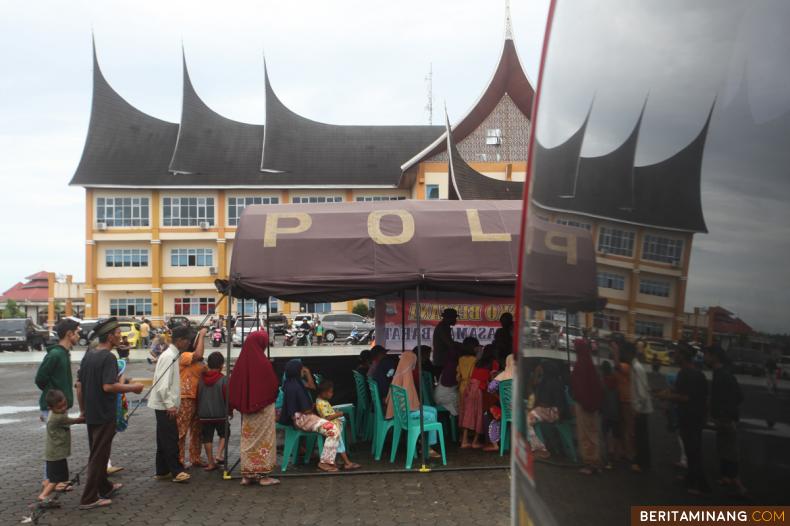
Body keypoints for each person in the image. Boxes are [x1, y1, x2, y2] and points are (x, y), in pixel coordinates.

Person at [76, 317, 143, 510]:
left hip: (91, 412)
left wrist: (83, 410)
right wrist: (133, 388)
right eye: (118, 333)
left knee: (98, 452)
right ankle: (88, 498)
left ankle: (105, 487)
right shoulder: (108, 357)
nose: (120, 336)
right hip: (104, 413)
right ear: (110, 337)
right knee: (99, 456)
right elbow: (108, 386)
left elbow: (79, 385)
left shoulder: (89, 355)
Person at [229, 330, 280, 486]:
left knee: (248, 440)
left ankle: (247, 475)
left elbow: (233, 386)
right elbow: (273, 386)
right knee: (264, 440)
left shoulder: (241, 362)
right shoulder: (263, 363)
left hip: (247, 411)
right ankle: (263, 476)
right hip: (263, 410)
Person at [657, 346, 710, 495]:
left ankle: (700, 486)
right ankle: (691, 479)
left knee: (693, 451)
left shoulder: (686, 374)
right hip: (695, 418)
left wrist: (666, 397)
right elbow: (703, 398)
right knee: (692, 450)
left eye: (677, 354)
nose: (674, 356)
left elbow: (685, 397)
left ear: (683, 357)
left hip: (690, 418)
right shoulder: (697, 374)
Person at [35, 318, 79, 491]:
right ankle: (49, 482)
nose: (79, 335)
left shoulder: (63, 353)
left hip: (60, 407)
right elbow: (40, 378)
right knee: (54, 445)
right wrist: (51, 397)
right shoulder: (55, 354)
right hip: (54, 407)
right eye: (76, 332)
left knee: (59, 444)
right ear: (69, 334)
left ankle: (54, 481)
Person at [147, 325, 192, 483]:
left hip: (163, 404)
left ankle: (162, 470)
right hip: (165, 405)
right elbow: (163, 384)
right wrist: (170, 405)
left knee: (163, 438)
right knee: (171, 438)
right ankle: (176, 470)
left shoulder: (172, 354)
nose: (188, 343)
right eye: (187, 340)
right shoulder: (169, 356)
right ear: (179, 340)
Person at [280, 359, 342, 472]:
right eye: (301, 369)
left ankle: (327, 460)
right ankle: (325, 462)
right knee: (333, 430)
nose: (303, 371)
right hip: (304, 419)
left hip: (299, 418)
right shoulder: (297, 387)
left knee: (329, 427)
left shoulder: (289, 383)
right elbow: (306, 409)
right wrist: (312, 408)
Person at [705, 344, 747, 496]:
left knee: (730, 449)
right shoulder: (719, 373)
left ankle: (737, 482)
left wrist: (726, 415)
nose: (705, 358)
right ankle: (726, 478)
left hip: (726, 419)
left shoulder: (724, 375)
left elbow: (738, 396)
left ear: (714, 356)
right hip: (722, 418)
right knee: (723, 448)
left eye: (707, 355)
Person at [384, 349, 442, 458]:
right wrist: (418, 408)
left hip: (402, 411)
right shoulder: (407, 377)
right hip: (405, 414)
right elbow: (410, 405)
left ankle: (424, 443)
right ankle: (427, 446)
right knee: (430, 416)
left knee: (433, 410)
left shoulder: (399, 374)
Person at [38, 389, 85, 503]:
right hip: (56, 453)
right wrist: (84, 419)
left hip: (54, 452)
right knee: (55, 478)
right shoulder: (58, 417)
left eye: (64, 405)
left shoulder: (53, 413)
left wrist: (43, 418)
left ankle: (50, 486)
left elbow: (48, 418)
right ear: (51, 408)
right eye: (59, 408)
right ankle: (43, 495)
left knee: (55, 476)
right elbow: (74, 421)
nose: (63, 408)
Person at [570, 340, 603, 474]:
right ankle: (596, 462)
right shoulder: (589, 364)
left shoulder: (580, 365)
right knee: (593, 433)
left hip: (583, 404)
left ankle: (589, 464)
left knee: (585, 434)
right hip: (593, 405)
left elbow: (579, 386)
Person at [176, 327, 208, 468]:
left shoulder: (199, 361)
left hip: (197, 398)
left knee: (197, 431)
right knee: (181, 431)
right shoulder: (185, 356)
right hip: (185, 398)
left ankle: (195, 458)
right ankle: (179, 459)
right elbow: (199, 353)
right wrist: (201, 335)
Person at [315, 380, 361, 470]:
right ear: (324, 392)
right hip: (332, 427)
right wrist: (338, 414)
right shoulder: (322, 403)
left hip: (333, 426)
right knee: (340, 445)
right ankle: (347, 463)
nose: (332, 394)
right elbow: (327, 417)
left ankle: (337, 462)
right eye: (330, 392)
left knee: (339, 445)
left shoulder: (321, 401)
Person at [460, 345, 498, 449]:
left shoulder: (478, 362)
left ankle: (464, 441)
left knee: (468, 414)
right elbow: (494, 379)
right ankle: (475, 442)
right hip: (479, 390)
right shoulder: (493, 363)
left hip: (469, 388)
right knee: (479, 415)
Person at [526, 361, 566, 459]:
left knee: (527, 420)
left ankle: (539, 448)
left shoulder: (547, 382)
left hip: (552, 412)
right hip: (557, 412)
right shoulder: (558, 381)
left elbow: (545, 401)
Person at [198, 352, 230, 472]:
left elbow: (198, 396)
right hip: (220, 413)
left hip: (204, 414)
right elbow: (227, 397)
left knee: (207, 438)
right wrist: (230, 410)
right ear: (221, 365)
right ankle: (219, 454)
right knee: (225, 433)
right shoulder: (224, 379)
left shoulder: (201, 379)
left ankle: (211, 463)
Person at [611, 336, 635, 465]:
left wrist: (615, 351)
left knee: (628, 429)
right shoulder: (625, 366)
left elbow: (616, 366)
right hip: (621, 400)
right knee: (621, 428)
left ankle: (629, 453)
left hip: (627, 401)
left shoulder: (626, 366)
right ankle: (622, 452)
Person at [630, 344, 653, 472]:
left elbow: (641, 392)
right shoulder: (636, 367)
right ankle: (643, 462)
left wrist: (637, 408)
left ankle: (642, 463)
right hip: (641, 408)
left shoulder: (636, 368)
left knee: (641, 437)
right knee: (641, 437)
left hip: (641, 409)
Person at [599, 360, 620, 469]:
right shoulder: (616, 380)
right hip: (616, 411)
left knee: (606, 435)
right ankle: (616, 456)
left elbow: (601, 397)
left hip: (606, 412)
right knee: (615, 435)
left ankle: (608, 458)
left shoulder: (603, 382)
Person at [434, 342, 462, 417]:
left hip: (441, 394)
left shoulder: (449, 363)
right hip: (446, 397)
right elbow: (448, 383)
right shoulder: (453, 366)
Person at [456, 338, 478, 429]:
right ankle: (469, 432)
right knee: (470, 411)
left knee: (463, 410)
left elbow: (458, 375)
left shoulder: (460, 359)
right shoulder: (475, 359)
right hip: (471, 387)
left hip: (462, 386)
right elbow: (474, 374)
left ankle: (462, 433)